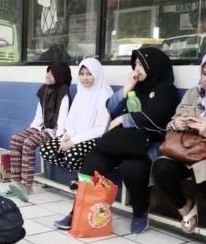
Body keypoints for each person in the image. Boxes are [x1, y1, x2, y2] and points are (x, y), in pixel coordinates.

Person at [54, 48, 179, 234]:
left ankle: (139, 212)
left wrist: (123, 120)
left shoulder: (166, 90)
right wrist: (126, 88)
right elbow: (110, 109)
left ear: (154, 66)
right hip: (119, 141)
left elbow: (158, 116)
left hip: (145, 145)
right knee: (92, 162)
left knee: (132, 169)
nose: (137, 68)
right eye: (135, 64)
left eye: (141, 64)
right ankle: (77, 211)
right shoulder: (135, 86)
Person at [152, 54, 206, 234]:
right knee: (161, 167)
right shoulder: (193, 93)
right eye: (205, 74)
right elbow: (171, 122)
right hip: (187, 150)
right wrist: (177, 124)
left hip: (203, 157)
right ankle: (186, 210)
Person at [5, 62, 72, 202]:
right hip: (41, 127)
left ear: (60, 76)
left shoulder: (63, 92)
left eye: (52, 73)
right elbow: (39, 115)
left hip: (55, 131)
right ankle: (17, 183)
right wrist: (31, 129)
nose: (47, 75)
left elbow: (62, 119)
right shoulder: (44, 90)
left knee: (28, 143)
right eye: (48, 72)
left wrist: (58, 137)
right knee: (16, 139)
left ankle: (27, 185)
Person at [40, 58, 113, 173]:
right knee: (46, 150)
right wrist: (67, 135)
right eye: (82, 74)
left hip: (96, 139)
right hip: (76, 136)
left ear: (97, 74)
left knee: (71, 155)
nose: (85, 78)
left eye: (89, 74)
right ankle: (82, 174)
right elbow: (72, 120)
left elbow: (101, 129)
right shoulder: (81, 91)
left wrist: (73, 141)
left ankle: (84, 178)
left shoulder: (105, 94)